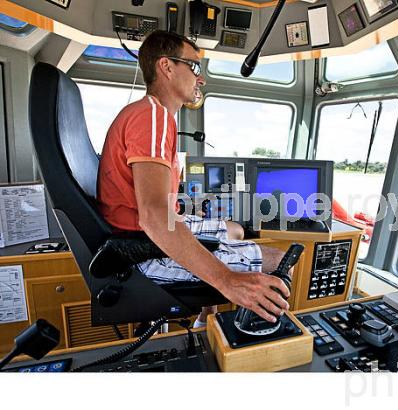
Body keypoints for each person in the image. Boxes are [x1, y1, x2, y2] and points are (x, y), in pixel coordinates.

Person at [97, 30, 289, 327]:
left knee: (235, 229)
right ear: (166, 66)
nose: (201, 78)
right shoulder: (153, 116)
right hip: (139, 251)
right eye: (195, 67)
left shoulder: (153, 116)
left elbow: (153, 204)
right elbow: (154, 216)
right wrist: (227, 281)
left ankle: (204, 322)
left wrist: (181, 212)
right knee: (278, 259)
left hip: (139, 231)